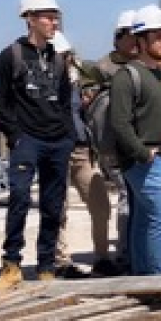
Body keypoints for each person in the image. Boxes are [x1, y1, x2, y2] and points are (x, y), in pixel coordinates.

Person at [0, 0, 76, 289]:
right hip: (28, 141)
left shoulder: (59, 61)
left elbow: (65, 102)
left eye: (56, 17)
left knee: (54, 205)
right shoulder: (10, 56)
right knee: (20, 199)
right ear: (30, 19)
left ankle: (46, 265)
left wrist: (67, 136)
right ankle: (12, 264)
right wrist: (16, 136)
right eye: (49, 17)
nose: (55, 23)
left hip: (57, 142)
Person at [110, 4, 161, 279]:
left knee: (142, 220)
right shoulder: (127, 77)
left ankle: (141, 279)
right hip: (144, 162)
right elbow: (119, 123)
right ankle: (158, 281)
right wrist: (141, 153)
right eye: (158, 35)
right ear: (141, 40)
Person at [57, 31, 114, 275]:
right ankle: (60, 261)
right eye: (64, 56)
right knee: (57, 209)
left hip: (81, 149)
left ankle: (101, 257)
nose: (68, 60)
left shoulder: (75, 84)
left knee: (100, 203)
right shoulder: (43, 84)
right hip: (56, 149)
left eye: (68, 56)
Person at [94, 10, 138, 274]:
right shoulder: (103, 69)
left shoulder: (143, 67)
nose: (135, 43)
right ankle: (125, 253)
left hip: (137, 146)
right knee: (126, 198)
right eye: (131, 37)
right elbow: (96, 112)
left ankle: (134, 251)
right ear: (119, 38)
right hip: (113, 145)